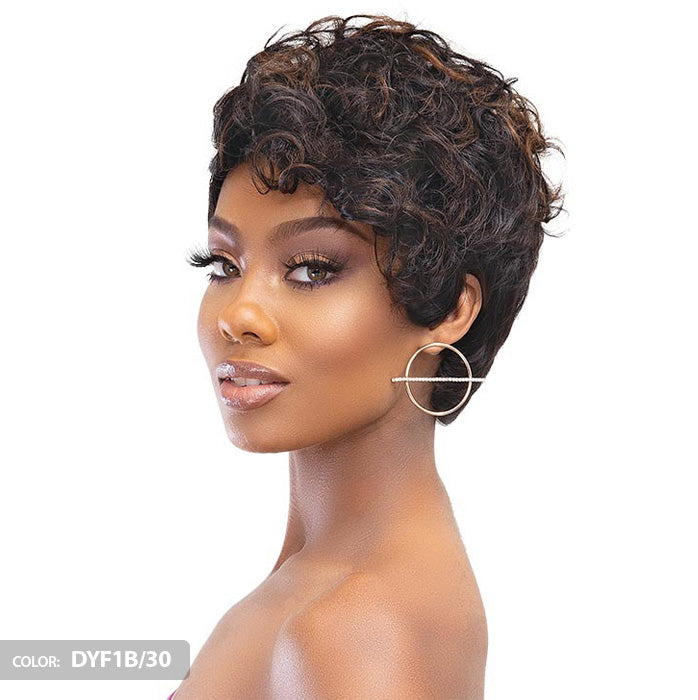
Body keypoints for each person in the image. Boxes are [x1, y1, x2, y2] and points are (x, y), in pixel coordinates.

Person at [171, 12, 564, 699]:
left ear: (449, 308)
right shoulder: (321, 585)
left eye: (312, 268)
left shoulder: (358, 630)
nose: (238, 316)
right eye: (224, 264)